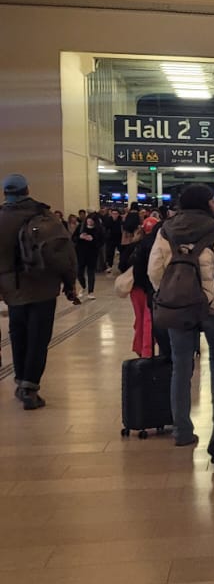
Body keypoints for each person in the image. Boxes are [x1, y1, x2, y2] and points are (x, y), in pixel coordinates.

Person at [148, 183, 214, 447]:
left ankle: (182, 431)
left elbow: (154, 270)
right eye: (213, 201)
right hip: (213, 308)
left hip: (179, 308)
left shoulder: (165, 230)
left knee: (181, 367)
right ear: (205, 203)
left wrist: (170, 294)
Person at [0, 173, 79, 409]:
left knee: (18, 335)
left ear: (5, 193)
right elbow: (64, 254)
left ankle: (20, 380)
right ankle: (30, 387)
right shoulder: (46, 217)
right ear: (27, 190)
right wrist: (70, 284)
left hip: (13, 290)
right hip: (44, 287)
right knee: (38, 338)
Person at [127, 215, 159, 359]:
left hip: (136, 289)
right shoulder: (157, 245)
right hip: (150, 288)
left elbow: (123, 264)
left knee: (139, 319)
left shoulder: (136, 245)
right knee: (148, 321)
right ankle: (147, 350)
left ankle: (139, 347)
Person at [74, 212, 104, 296]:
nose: (89, 222)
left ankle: (91, 291)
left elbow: (102, 242)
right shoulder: (81, 227)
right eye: (88, 221)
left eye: (91, 221)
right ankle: (83, 286)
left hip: (92, 253)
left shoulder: (99, 229)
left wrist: (92, 239)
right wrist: (80, 237)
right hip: (81, 253)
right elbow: (73, 237)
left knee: (91, 272)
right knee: (79, 272)